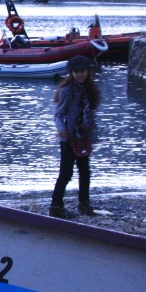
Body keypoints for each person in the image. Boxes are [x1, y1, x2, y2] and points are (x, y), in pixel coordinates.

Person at [49, 56, 100, 219]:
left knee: (85, 171)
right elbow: (58, 115)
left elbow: (90, 114)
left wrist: (92, 135)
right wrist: (63, 131)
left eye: (82, 71)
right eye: (76, 72)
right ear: (71, 73)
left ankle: (84, 204)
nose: (80, 75)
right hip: (68, 139)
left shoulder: (89, 90)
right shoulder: (66, 91)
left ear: (87, 72)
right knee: (66, 173)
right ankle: (55, 206)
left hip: (83, 137)